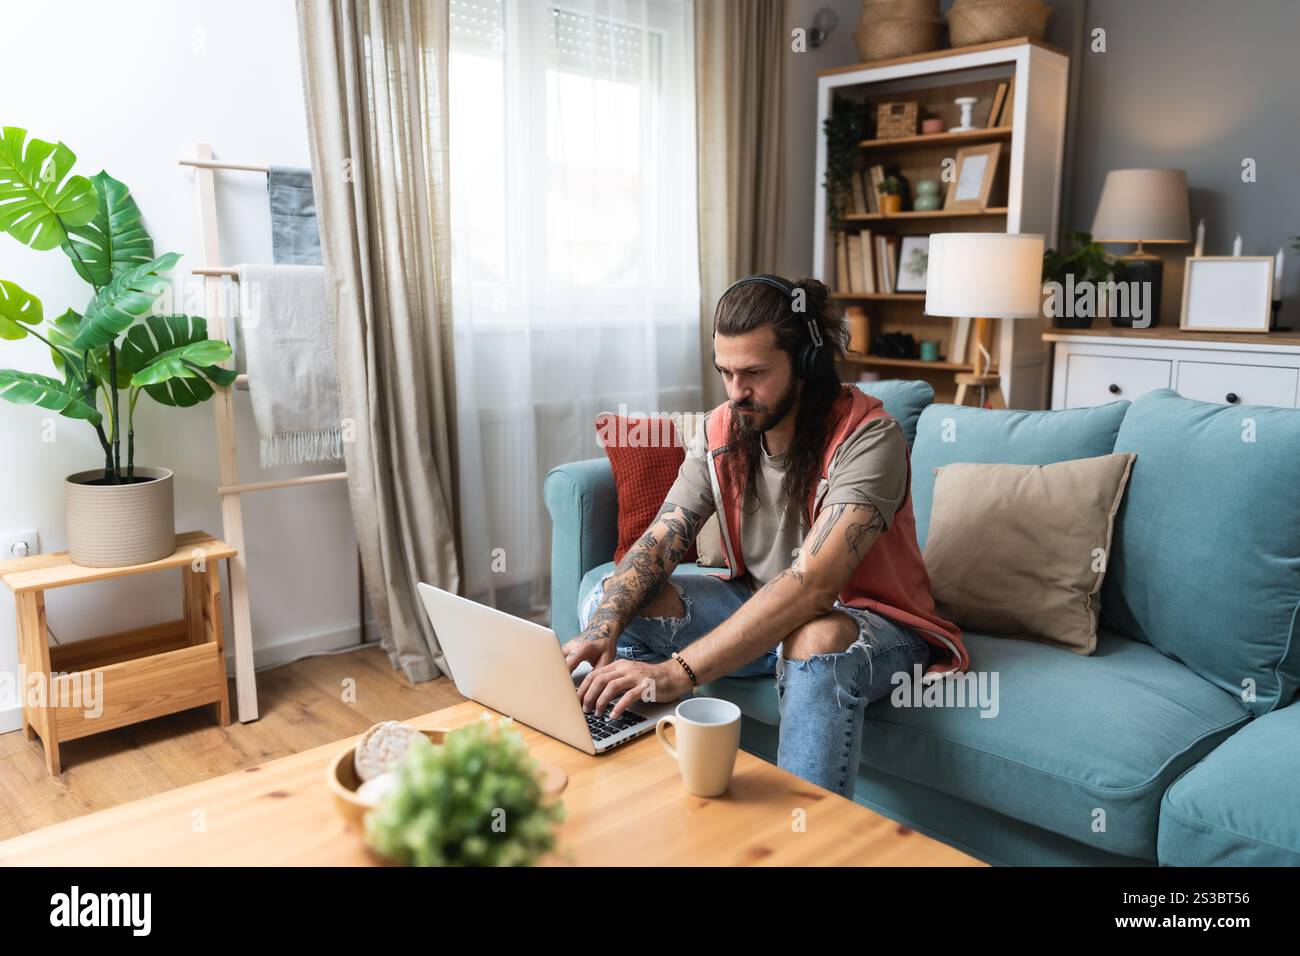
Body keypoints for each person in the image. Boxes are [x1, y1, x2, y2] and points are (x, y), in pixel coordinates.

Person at [563, 274, 968, 798]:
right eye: (727, 373)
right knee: (611, 596)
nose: (737, 393)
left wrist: (676, 671)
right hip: (761, 611)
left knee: (815, 636)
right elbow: (661, 539)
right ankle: (652, 795)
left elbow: (812, 587)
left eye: (754, 372)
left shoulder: (870, 439)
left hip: (874, 625)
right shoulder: (720, 430)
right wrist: (602, 626)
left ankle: (808, 843)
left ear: (807, 366)